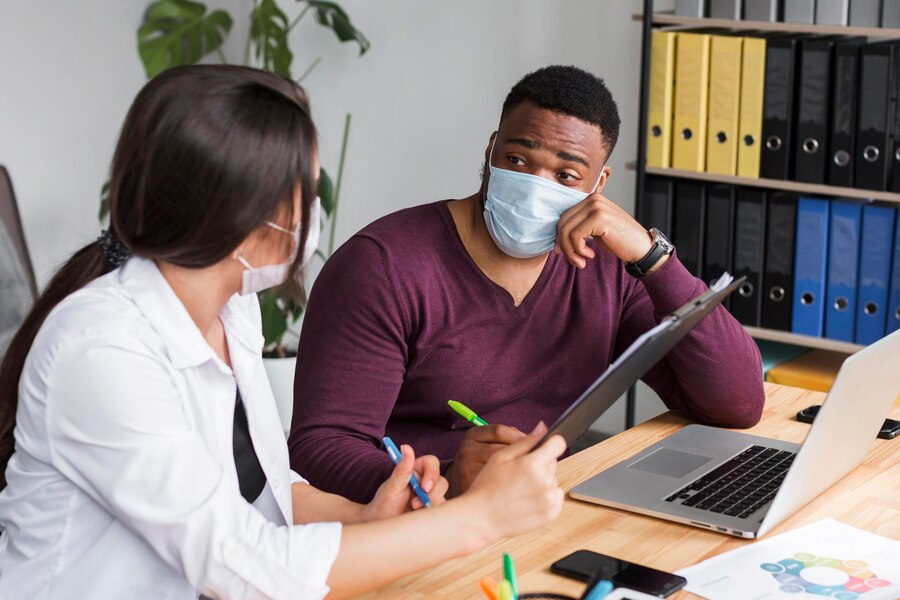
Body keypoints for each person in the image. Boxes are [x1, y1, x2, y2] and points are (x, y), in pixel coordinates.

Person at [0, 65, 566, 599]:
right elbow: (238, 566)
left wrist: (366, 517)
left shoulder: (232, 307)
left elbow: (261, 488)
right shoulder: (103, 349)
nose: (313, 215)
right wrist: (480, 516)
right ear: (243, 216)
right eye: (306, 194)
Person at [289, 65, 765, 503]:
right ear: (491, 149)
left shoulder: (609, 266)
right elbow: (320, 447)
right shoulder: (382, 266)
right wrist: (449, 479)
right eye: (517, 159)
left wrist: (652, 256)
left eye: (566, 175)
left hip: (542, 507)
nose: (536, 183)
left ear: (598, 184)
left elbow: (737, 402)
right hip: (417, 522)